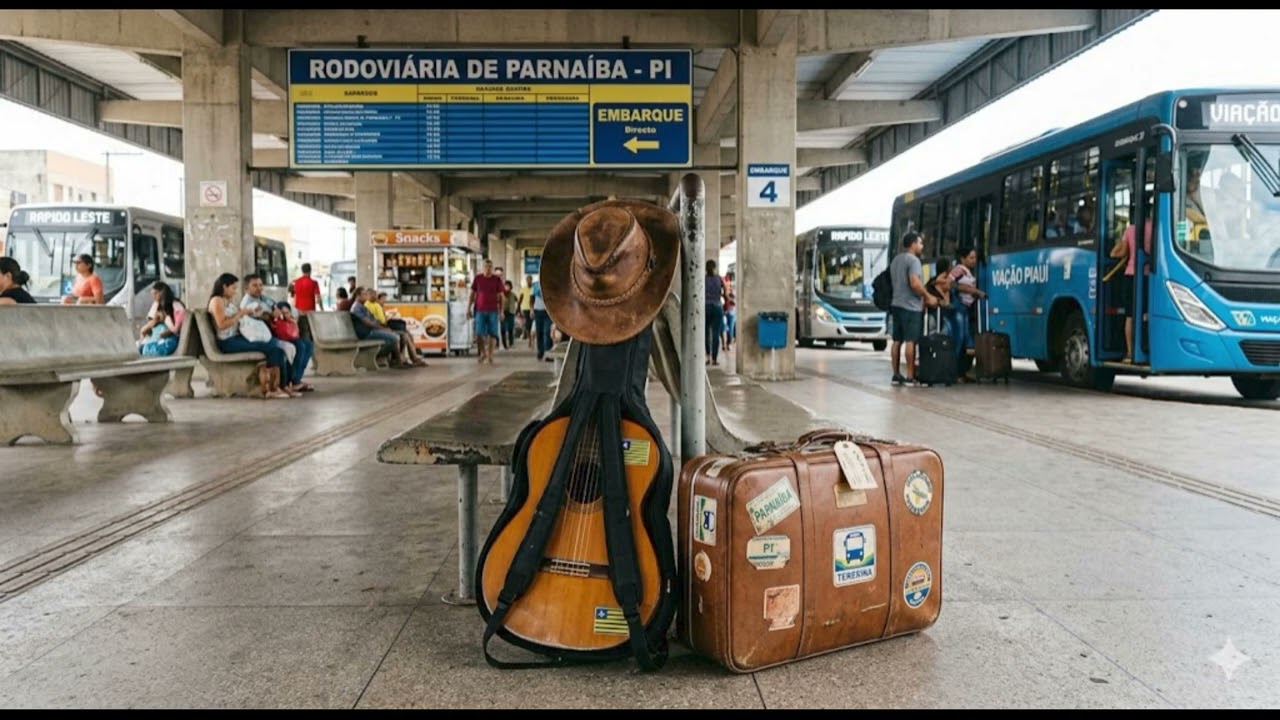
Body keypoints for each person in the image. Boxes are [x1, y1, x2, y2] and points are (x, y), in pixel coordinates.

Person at [207, 272, 295, 399]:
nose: (235, 291)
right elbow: (221, 324)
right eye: (233, 288)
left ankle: (282, 386)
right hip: (227, 342)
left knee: (276, 348)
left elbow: (237, 319)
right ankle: (274, 387)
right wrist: (241, 313)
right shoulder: (217, 301)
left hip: (237, 337)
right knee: (273, 349)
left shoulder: (227, 300)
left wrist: (249, 313)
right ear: (224, 287)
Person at [242, 273, 315, 392]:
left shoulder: (262, 298)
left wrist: (276, 310)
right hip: (264, 336)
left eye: (260, 285)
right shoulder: (247, 303)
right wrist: (272, 313)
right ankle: (292, 381)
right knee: (298, 346)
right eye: (254, 285)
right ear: (246, 288)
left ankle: (296, 379)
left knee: (308, 345)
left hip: (274, 331)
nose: (259, 288)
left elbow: (274, 305)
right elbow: (262, 316)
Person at [889, 231, 939, 386]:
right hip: (911, 307)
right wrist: (927, 296)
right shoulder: (914, 261)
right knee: (911, 341)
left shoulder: (896, 260)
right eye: (920, 243)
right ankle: (911, 376)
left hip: (896, 304)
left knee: (897, 340)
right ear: (912, 244)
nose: (922, 246)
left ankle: (896, 375)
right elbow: (915, 283)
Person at [1112, 199, 1153, 364]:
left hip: (1131, 276)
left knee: (1130, 315)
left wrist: (1116, 248)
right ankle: (1146, 347)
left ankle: (1130, 352)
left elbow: (1119, 253)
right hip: (1150, 276)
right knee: (1147, 314)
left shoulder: (1130, 230)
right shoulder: (1155, 228)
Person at [947, 246, 987, 379]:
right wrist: (974, 291)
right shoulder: (958, 269)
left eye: (975, 257)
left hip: (966, 308)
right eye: (971, 257)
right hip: (959, 307)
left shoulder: (968, 271)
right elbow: (950, 284)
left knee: (964, 339)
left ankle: (961, 372)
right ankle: (953, 372)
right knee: (960, 339)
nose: (974, 260)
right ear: (962, 258)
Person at [468, 258, 505, 365]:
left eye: (490, 267)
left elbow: (502, 296)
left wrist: (501, 311)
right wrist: (468, 308)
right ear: (482, 267)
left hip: (493, 310)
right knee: (479, 333)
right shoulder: (478, 279)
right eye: (486, 266)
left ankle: (491, 354)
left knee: (492, 334)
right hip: (479, 310)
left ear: (492, 268)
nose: (488, 269)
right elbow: (472, 294)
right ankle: (483, 353)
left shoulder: (497, 280)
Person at [137, 281, 186, 357]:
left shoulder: (176, 305)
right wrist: (156, 319)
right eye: (152, 294)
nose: (153, 297)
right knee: (140, 347)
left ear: (162, 293)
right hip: (159, 338)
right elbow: (150, 324)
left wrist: (164, 321)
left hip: (170, 339)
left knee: (143, 349)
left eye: (156, 293)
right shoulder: (157, 305)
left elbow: (176, 329)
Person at [705, 260, 726, 366]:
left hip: (705, 307)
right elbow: (725, 292)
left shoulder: (703, 279)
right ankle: (714, 359)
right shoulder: (719, 279)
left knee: (706, 333)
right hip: (717, 307)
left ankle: (708, 357)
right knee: (716, 333)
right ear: (714, 267)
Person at [532, 278, 552, 361]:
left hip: (548, 312)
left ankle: (548, 353)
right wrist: (531, 310)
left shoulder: (551, 283)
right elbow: (532, 298)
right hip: (538, 311)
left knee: (547, 332)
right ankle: (540, 352)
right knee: (539, 332)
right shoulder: (536, 284)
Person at [501, 279, 518, 350]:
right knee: (503, 329)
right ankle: (504, 344)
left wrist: (517, 310)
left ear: (511, 287)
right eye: (505, 286)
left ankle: (511, 343)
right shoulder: (501, 294)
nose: (507, 287)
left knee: (511, 329)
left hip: (511, 313)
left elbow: (517, 301)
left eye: (508, 286)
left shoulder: (513, 294)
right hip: (503, 313)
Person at [722, 270, 737, 351]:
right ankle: (728, 344)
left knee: (725, 327)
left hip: (725, 308)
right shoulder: (733, 286)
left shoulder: (726, 284)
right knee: (730, 327)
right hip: (730, 308)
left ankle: (726, 343)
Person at [520, 274, 535, 348]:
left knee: (533, 324)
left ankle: (532, 339)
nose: (529, 281)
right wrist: (519, 309)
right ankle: (529, 339)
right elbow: (520, 299)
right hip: (525, 308)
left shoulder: (534, 288)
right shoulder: (523, 289)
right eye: (527, 280)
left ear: (532, 280)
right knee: (528, 324)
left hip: (533, 308)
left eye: (530, 279)